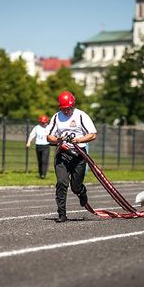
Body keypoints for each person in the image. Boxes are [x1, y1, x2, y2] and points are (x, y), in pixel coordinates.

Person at [47, 91, 97, 223]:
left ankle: (81, 191)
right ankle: (61, 214)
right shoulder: (56, 117)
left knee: (75, 186)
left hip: (79, 155)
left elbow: (92, 134)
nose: (66, 111)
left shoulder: (81, 116)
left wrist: (79, 140)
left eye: (68, 108)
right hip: (62, 154)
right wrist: (59, 139)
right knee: (62, 183)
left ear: (73, 105)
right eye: (63, 109)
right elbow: (49, 136)